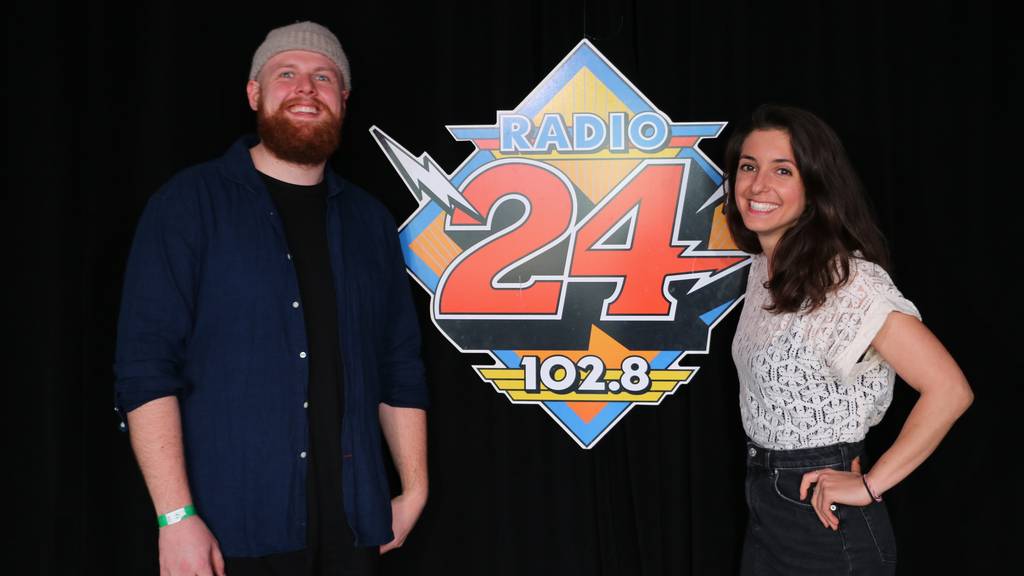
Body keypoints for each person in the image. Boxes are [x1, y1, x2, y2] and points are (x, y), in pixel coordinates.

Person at [114, 21, 429, 576]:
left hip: (355, 526)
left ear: (343, 99)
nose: (306, 88)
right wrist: (175, 517)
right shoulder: (188, 205)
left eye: (323, 77)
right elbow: (144, 369)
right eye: (287, 74)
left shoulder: (370, 222)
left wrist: (415, 488)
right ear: (255, 93)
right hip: (228, 530)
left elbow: (398, 363)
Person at [723, 104, 973, 575]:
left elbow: (950, 390)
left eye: (783, 170)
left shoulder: (848, 283)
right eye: (748, 167)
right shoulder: (762, 268)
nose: (758, 186)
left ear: (814, 186)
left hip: (823, 517)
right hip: (765, 506)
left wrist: (871, 485)